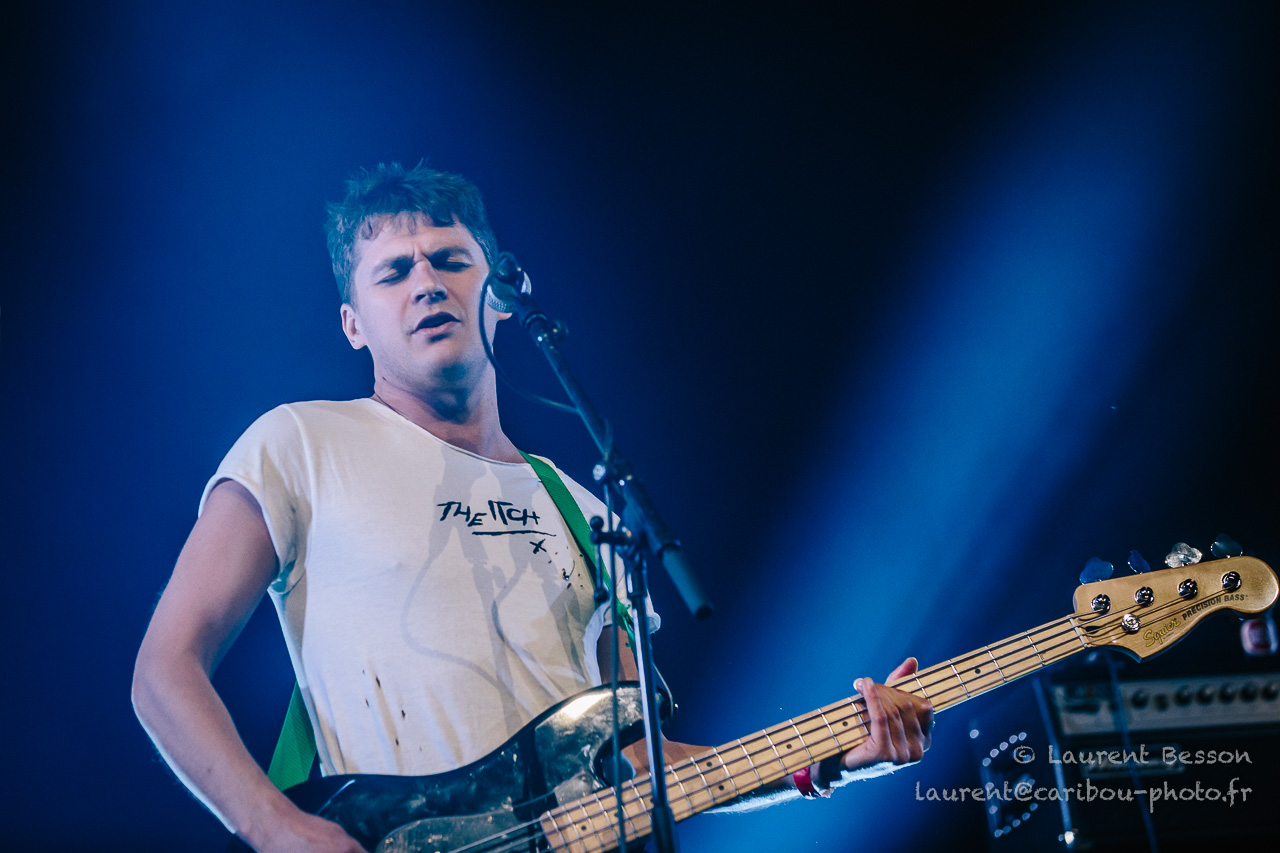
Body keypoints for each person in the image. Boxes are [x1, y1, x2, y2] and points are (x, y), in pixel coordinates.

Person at [132, 162, 934, 853]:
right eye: (394, 272)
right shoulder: (299, 442)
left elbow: (645, 767)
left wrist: (832, 755)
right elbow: (165, 667)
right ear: (352, 324)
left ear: (503, 297)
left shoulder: (582, 507)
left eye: (451, 260)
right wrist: (274, 826)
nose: (427, 283)